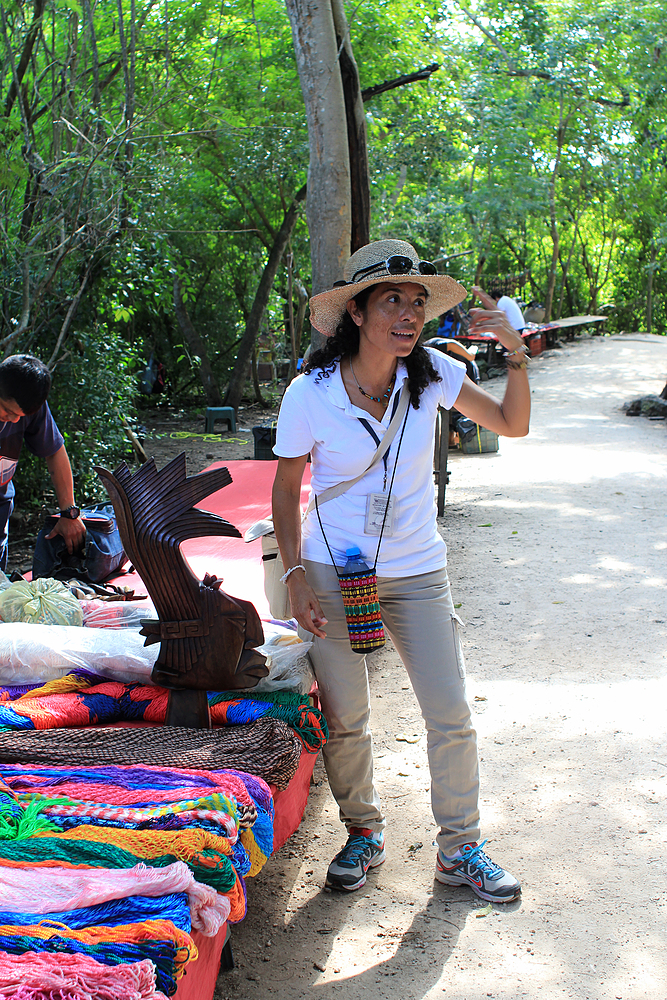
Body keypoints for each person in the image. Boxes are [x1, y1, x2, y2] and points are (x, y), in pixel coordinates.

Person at [271, 239, 530, 902]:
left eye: (417, 301)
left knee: (449, 712)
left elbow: (509, 423)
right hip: (331, 571)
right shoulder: (312, 392)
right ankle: (363, 831)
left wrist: (518, 358)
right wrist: (296, 575)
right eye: (392, 299)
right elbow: (286, 485)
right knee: (347, 715)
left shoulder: (436, 374)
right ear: (356, 312)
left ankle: (460, 846)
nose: (408, 312)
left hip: (417, 571)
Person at [0, 354, 85, 573]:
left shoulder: (28, 404)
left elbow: (55, 452)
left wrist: (69, 513)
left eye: (21, 415)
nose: (14, 420)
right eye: (7, 411)